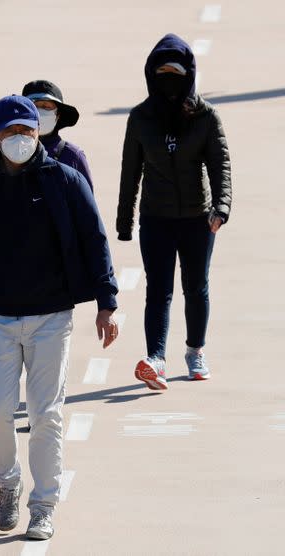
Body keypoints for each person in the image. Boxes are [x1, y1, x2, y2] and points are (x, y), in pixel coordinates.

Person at [0, 95, 119, 540]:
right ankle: (8, 482)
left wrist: (107, 302)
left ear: (38, 133)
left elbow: (95, 239)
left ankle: (43, 505)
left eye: (26, 131)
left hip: (52, 317)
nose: (19, 139)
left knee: (47, 413)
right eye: (10, 132)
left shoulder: (65, 181)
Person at [117, 34, 232, 389]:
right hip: (157, 219)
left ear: (189, 75)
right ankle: (156, 359)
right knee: (159, 290)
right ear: (151, 75)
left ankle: (195, 351)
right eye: (162, 72)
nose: (169, 79)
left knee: (196, 287)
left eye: (176, 73)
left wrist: (221, 206)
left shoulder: (205, 117)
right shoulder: (140, 118)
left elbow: (220, 163)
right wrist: (125, 220)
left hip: (199, 219)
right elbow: (130, 170)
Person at [22, 79, 94, 190]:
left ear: (58, 115)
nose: (40, 112)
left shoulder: (73, 156)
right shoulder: (11, 150)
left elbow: (86, 204)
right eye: (35, 106)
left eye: (46, 107)